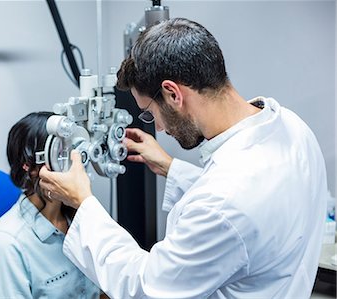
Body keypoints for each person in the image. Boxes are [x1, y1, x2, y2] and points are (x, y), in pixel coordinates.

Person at [38, 18, 328, 298]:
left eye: (150, 114)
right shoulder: (291, 127)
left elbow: (145, 288)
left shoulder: (223, 203)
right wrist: (171, 167)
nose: (159, 128)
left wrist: (83, 203)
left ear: (173, 94)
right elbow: (253, 204)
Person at [0, 112, 102, 298]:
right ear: (28, 166)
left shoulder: (81, 218)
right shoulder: (8, 243)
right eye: (59, 154)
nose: (71, 163)